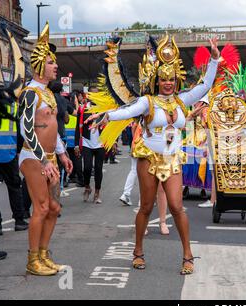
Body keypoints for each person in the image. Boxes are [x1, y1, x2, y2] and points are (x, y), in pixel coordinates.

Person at [86, 35, 220, 275]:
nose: (167, 83)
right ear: (156, 81)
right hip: (149, 158)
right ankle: (138, 250)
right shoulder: (148, 102)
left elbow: (205, 86)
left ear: (176, 80)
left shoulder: (182, 100)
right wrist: (107, 115)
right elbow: (128, 110)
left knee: (177, 207)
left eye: (171, 79)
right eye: (163, 79)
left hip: (172, 159)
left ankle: (187, 254)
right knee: (146, 207)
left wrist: (214, 59)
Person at [18, 22, 73, 276]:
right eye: (51, 62)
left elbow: (52, 127)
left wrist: (61, 154)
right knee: (40, 207)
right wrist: (44, 159)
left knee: (54, 208)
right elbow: (26, 130)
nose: (56, 66)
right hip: (33, 157)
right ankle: (32, 261)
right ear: (40, 65)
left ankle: (43, 254)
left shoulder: (49, 95)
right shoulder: (30, 93)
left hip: (50, 159)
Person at [120, 122, 170, 235]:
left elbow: (172, 129)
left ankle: (163, 222)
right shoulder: (147, 109)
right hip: (147, 152)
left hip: (164, 152)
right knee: (146, 189)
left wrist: (168, 149)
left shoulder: (168, 110)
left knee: (162, 189)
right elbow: (135, 126)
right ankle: (144, 223)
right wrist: (137, 144)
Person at [0, 102, 29, 235]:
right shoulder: (12, 106)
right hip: (8, 154)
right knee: (14, 187)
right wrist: (19, 150)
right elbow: (19, 130)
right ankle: (19, 221)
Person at [74, 86, 106, 204]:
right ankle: (87, 187)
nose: (95, 97)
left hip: (101, 143)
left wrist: (114, 142)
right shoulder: (82, 109)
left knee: (98, 169)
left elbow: (111, 126)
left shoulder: (104, 109)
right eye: (92, 94)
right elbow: (78, 127)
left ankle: (97, 193)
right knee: (87, 167)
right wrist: (76, 144)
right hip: (87, 142)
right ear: (88, 95)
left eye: (97, 94)